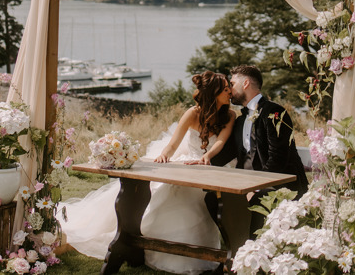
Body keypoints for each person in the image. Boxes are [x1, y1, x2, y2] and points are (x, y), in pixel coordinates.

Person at [59, 71, 236, 275]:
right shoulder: (192, 113)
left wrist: (208, 157)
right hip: (188, 162)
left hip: (208, 166)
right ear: (213, 93)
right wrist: (164, 156)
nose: (230, 91)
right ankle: (151, 246)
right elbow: (173, 144)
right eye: (225, 89)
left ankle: (203, 254)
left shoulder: (230, 115)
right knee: (172, 191)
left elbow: (221, 140)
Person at [227, 64, 309, 239]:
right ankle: (232, 252)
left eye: (232, 83)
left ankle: (253, 255)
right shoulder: (241, 119)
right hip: (250, 185)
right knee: (214, 199)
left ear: (246, 83)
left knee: (256, 200)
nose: (229, 89)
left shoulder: (275, 112)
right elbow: (235, 155)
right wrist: (203, 159)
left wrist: (255, 189)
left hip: (280, 185)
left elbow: (278, 158)